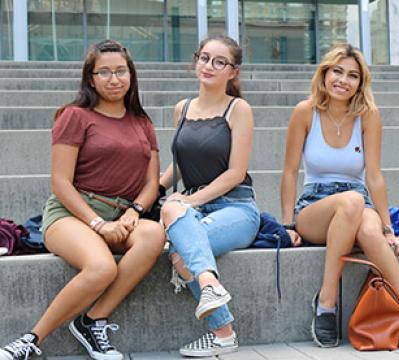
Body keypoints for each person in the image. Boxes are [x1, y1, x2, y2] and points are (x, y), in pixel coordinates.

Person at [0, 40, 165, 360]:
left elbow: (151, 182)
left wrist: (134, 211)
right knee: (101, 267)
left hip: (122, 214)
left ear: (131, 75)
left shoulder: (142, 122)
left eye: (121, 71)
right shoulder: (74, 116)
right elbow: (60, 182)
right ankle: (32, 339)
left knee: (154, 233)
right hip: (72, 214)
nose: (114, 79)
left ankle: (93, 320)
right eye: (104, 72)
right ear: (90, 78)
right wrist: (97, 222)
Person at [280, 43, 399, 348]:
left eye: (352, 75)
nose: (343, 80)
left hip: (358, 199)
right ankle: (327, 300)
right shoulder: (305, 112)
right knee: (352, 202)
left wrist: (388, 228)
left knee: (369, 227)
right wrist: (288, 224)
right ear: (325, 74)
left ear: (361, 82)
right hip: (315, 206)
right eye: (337, 72)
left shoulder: (367, 115)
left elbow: (374, 175)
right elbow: (290, 171)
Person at [159, 34, 259, 356]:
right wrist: (150, 195)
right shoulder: (183, 108)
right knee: (172, 212)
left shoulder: (238, 109)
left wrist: (187, 200)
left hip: (236, 207)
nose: (209, 66)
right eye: (204, 58)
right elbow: (178, 166)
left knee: (180, 249)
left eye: (220, 62)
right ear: (196, 60)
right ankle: (213, 292)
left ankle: (222, 332)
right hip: (195, 208)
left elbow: (235, 173)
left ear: (233, 71)